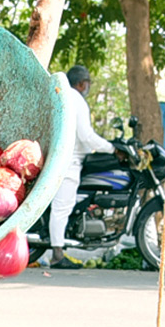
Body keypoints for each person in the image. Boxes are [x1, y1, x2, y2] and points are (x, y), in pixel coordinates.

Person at [47, 65, 116, 269]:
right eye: (87, 83)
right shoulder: (76, 99)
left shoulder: (62, 96)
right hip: (70, 162)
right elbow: (86, 136)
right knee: (62, 207)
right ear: (82, 83)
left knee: (63, 206)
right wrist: (112, 148)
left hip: (61, 158)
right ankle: (57, 254)